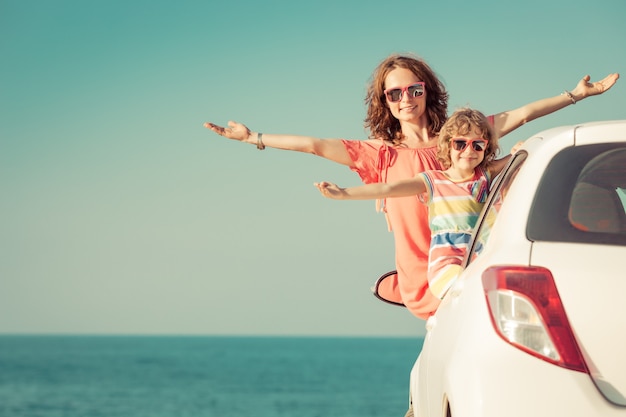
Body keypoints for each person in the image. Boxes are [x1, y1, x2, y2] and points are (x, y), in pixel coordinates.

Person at [204, 53, 619, 320]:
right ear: (384, 101)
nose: (405, 98)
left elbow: (522, 115)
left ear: (426, 91)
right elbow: (314, 145)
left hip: (477, 261)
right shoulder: (380, 155)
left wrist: (575, 95)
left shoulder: (461, 138)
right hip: (428, 274)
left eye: (413, 88)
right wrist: (254, 137)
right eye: (394, 93)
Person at [315, 108, 513, 299]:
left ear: (486, 147)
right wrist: (343, 193)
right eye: (460, 144)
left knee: (504, 196)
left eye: (477, 145)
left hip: (480, 253)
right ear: (447, 145)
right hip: (447, 262)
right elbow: (388, 189)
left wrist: (519, 148)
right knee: (464, 286)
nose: (469, 151)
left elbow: (522, 158)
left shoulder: (485, 174)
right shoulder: (433, 180)